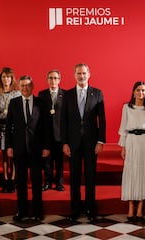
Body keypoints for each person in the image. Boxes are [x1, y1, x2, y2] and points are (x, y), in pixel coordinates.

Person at [61, 63, 106, 222]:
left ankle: (90, 209)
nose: (81, 76)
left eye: (84, 73)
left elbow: (102, 119)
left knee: (90, 176)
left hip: (91, 142)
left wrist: (100, 140)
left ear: (89, 74)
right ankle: (75, 210)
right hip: (72, 143)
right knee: (74, 177)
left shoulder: (97, 93)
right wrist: (64, 143)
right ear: (74, 75)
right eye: (79, 73)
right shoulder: (67, 95)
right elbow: (63, 121)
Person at [5, 75, 51, 222]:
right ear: (19, 86)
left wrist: (46, 147)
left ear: (32, 86)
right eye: (22, 85)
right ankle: (21, 210)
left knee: (37, 182)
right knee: (21, 181)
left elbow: (47, 127)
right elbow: (9, 127)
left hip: (37, 149)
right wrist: (9, 146)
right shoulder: (13, 103)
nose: (24, 88)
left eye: (27, 85)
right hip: (19, 149)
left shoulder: (41, 103)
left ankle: (38, 212)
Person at [118, 81, 145, 221]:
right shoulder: (126, 108)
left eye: (143, 90)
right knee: (131, 173)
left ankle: (140, 207)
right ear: (133, 92)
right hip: (131, 142)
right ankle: (130, 207)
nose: (141, 93)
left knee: (143, 173)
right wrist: (123, 147)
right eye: (138, 90)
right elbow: (123, 128)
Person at [0, 67, 21, 193]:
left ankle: (13, 180)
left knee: (13, 154)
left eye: (8, 77)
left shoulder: (17, 93)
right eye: (3, 77)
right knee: (4, 155)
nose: (6, 79)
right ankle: (5, 179)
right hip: (1, 127)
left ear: (12, 79)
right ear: (0, 79)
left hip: (14, 127)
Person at [38, 70, 66, 192]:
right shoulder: (42, 95)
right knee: (47, 161)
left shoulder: (65, 94)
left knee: (59, 161)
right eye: (50, 78)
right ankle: (47, 182)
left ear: (59, 80)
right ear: (47, 80)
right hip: (46, 134)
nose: (53, 80)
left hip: (60, 134)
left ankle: (59, 182)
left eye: (55, 78)